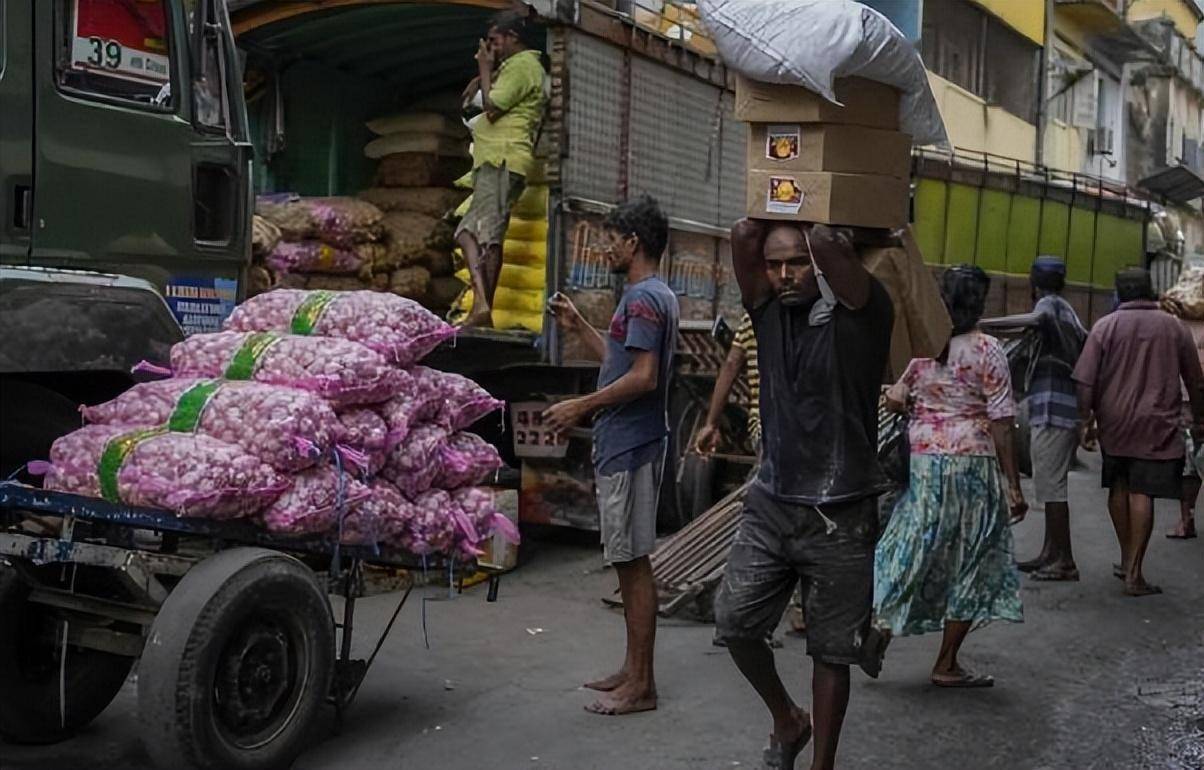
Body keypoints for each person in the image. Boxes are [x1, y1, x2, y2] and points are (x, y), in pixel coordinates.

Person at [712, 220, 893, 770]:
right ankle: (789, 720)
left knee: (831, 650)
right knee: (735, 623)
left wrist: (817, 205)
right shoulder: (766, 316)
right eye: (775, 265)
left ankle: (823, 765)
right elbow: (743, 235)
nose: (784, 275)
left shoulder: (865, 312)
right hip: (773, 502)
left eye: (796, 263)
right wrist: (780, 190)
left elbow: (832, 242)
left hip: (842, 508)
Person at [543, 195, 679, 715]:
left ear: (632, 242)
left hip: (629, 444)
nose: (604, 248)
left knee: (632, 562)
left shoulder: (643, 298)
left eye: (609, 239)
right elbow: (625, 362)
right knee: (629, 561)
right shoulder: (653, 295)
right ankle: (632, 669)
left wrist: (582, 404)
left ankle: (641, 685)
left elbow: (644, 378)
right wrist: (580, 327)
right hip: (632, 441)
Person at [874, 266, 1027, 689]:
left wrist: (913, 407)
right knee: (974, 559)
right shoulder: (988, 350)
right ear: (980, 304)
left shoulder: (924, 348)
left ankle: (881, 625)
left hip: (924, 462)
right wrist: (1013, 484)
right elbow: (1001, 421)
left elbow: (894, 397)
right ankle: (946, 663)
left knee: (913, 546)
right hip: (972, 464)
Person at [1073, 268, 1204, 596]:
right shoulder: (1173, 327)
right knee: (1142, 491)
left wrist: (1085, 419)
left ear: (1119, 293)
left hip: (1114, 421)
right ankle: (1134, 572)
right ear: (1152, 291)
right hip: (1157, 422)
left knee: (1119, 485)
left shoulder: (1105, 326)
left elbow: (1086, 379)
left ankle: (1125, 556)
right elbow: (1194, 379)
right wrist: (1200, 418)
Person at [983, 257, 1087, 581]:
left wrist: (982, 323)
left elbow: (1034, 318)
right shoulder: (1066, 310)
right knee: (1048, 482)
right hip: (1058, 404)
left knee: (1052, 488)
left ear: (1033, 282)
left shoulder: (1050, 306)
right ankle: (1050, 553)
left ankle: (1065, 560)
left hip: (1054, 406)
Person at [457, 10, 546, 328]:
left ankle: (482, 305)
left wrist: (484, 67)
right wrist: (484, 75)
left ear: (513, 37)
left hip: (503, 159)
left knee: (475, 233)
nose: (491, 48)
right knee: (481, 235)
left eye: (495, 41)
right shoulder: (517, 68)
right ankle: (483, 307)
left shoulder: (524, 66)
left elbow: (493, 108)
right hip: (496, 160)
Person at [1161, 272, 1204, 539]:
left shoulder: (1174, 323)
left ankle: (1185, 518)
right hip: (1192, 397)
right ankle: (1185, 518)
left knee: (1189, 461)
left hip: (1185, 399)